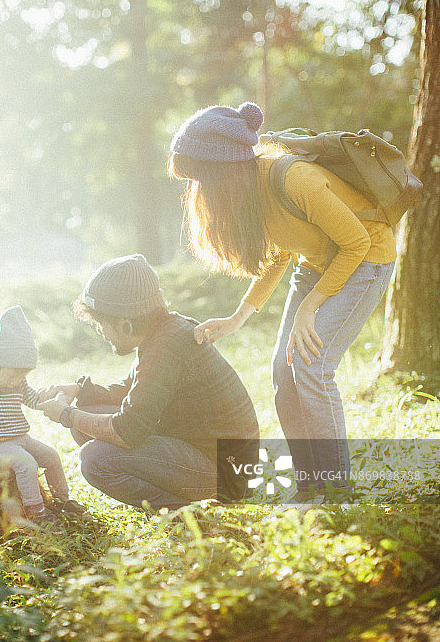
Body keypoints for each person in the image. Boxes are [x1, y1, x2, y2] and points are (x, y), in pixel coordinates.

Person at [167, 102, 396, 504]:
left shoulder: (294, 178)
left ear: (226, 167)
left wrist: (311, 307)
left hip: (366, 259)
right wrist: (238, 317)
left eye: (201, 178)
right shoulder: (248, 190)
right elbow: (277, 253)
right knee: (281, 370)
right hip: (317, 266)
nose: (197, 190)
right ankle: (311, 483)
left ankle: (336, 489)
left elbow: (357, 242)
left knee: (311, 365)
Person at [39, 254, 260, 511]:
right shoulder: (165, 331)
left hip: (228, 471)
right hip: (215, 457)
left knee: (94, 459)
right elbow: (132, 390)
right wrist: (79, 390)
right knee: (87, 419)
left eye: (101, 323)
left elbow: (126, 432)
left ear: (126, 324)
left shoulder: (166, 347)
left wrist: (67, 414)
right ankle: (158, 497)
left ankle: (179, 513)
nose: (100, 331)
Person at [0, 305, 84, 528]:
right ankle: (36, 512)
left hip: (19, 438)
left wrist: (46, 401)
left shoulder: (16, 379)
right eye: (13, 376)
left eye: (23, 376)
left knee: (51, 456)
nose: (17, 381)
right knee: (26, 463)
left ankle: (62, 500)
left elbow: (31, 398)